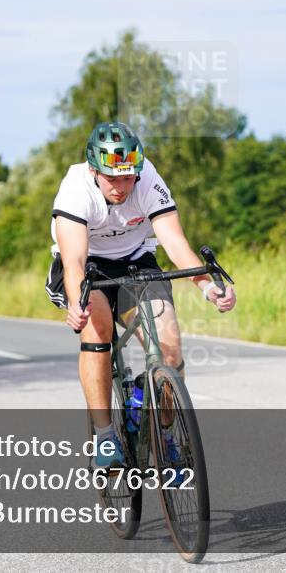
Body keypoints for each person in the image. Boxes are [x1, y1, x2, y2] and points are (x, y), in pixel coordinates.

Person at [45, 122, 237, 468]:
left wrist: (208, 286)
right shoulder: (75, 189)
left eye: (127, 178)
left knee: (169, 347)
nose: (121, 187)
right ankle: (105, 438)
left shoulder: (146, 176)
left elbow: (176, 243)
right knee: (97, 332)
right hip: (88, 268)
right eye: (111, 179)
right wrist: (77, 303)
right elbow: (73, 261)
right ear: (94, 170)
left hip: (136, 261)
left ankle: (163, 435)